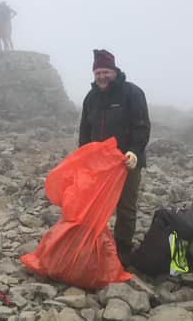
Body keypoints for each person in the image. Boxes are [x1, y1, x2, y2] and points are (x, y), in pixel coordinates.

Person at [78, 49, 150, 264]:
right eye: (98, 72)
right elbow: (84, 130)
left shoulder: (132, 93)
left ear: (114, 71)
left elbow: (142, 126)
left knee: (126, 207)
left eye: (106, 71)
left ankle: (123, 249)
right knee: (94, 204)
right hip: (99, 163)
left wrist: (135, 152)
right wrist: (83, 155)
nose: (101, 76)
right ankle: (93, 244)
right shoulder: (91, 98)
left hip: (127, 161)